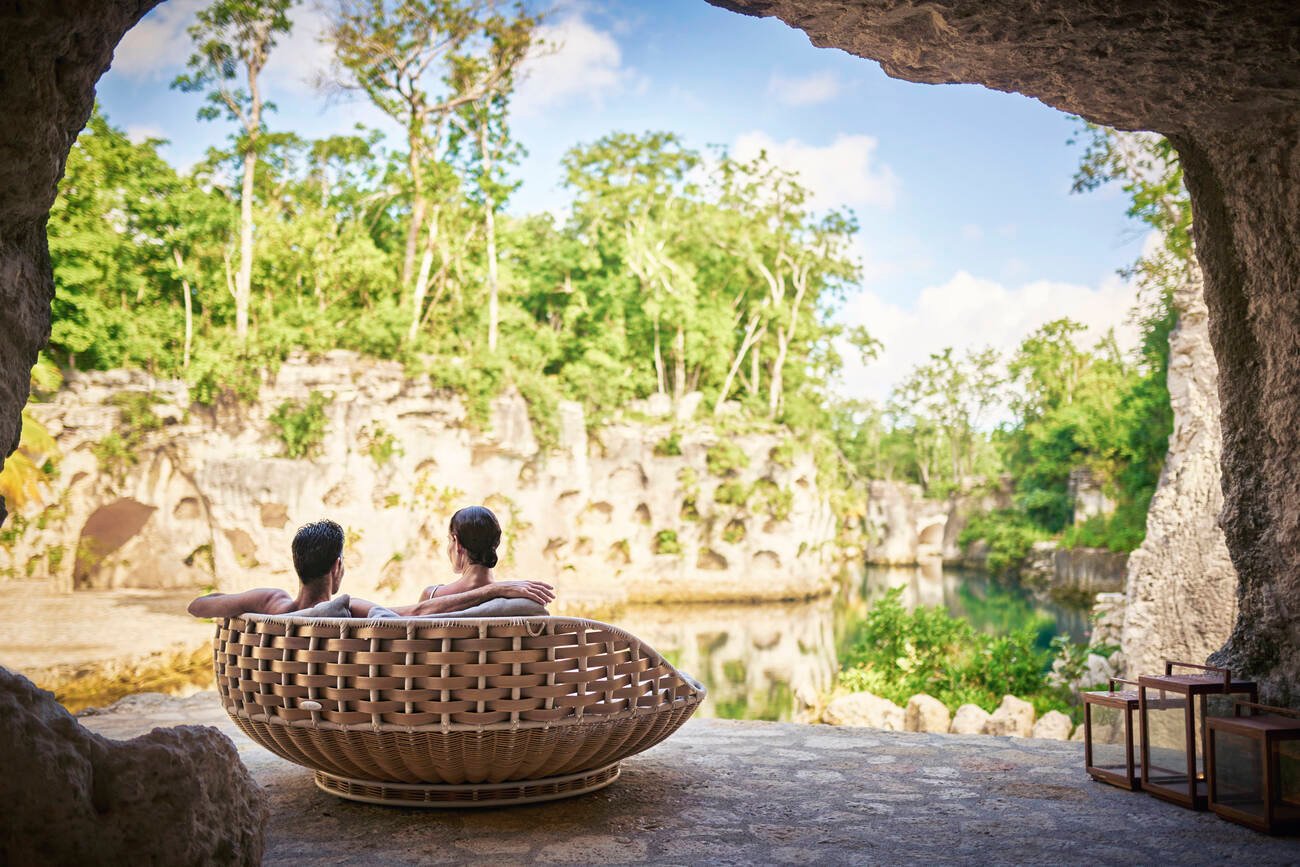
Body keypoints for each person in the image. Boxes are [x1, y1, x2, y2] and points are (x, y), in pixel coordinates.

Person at [186, 516, 554, 618]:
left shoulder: (270, 602)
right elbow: (415, 614)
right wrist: (494, 589)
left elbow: (199, 606)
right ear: (338, 567)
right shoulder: (348, 609)